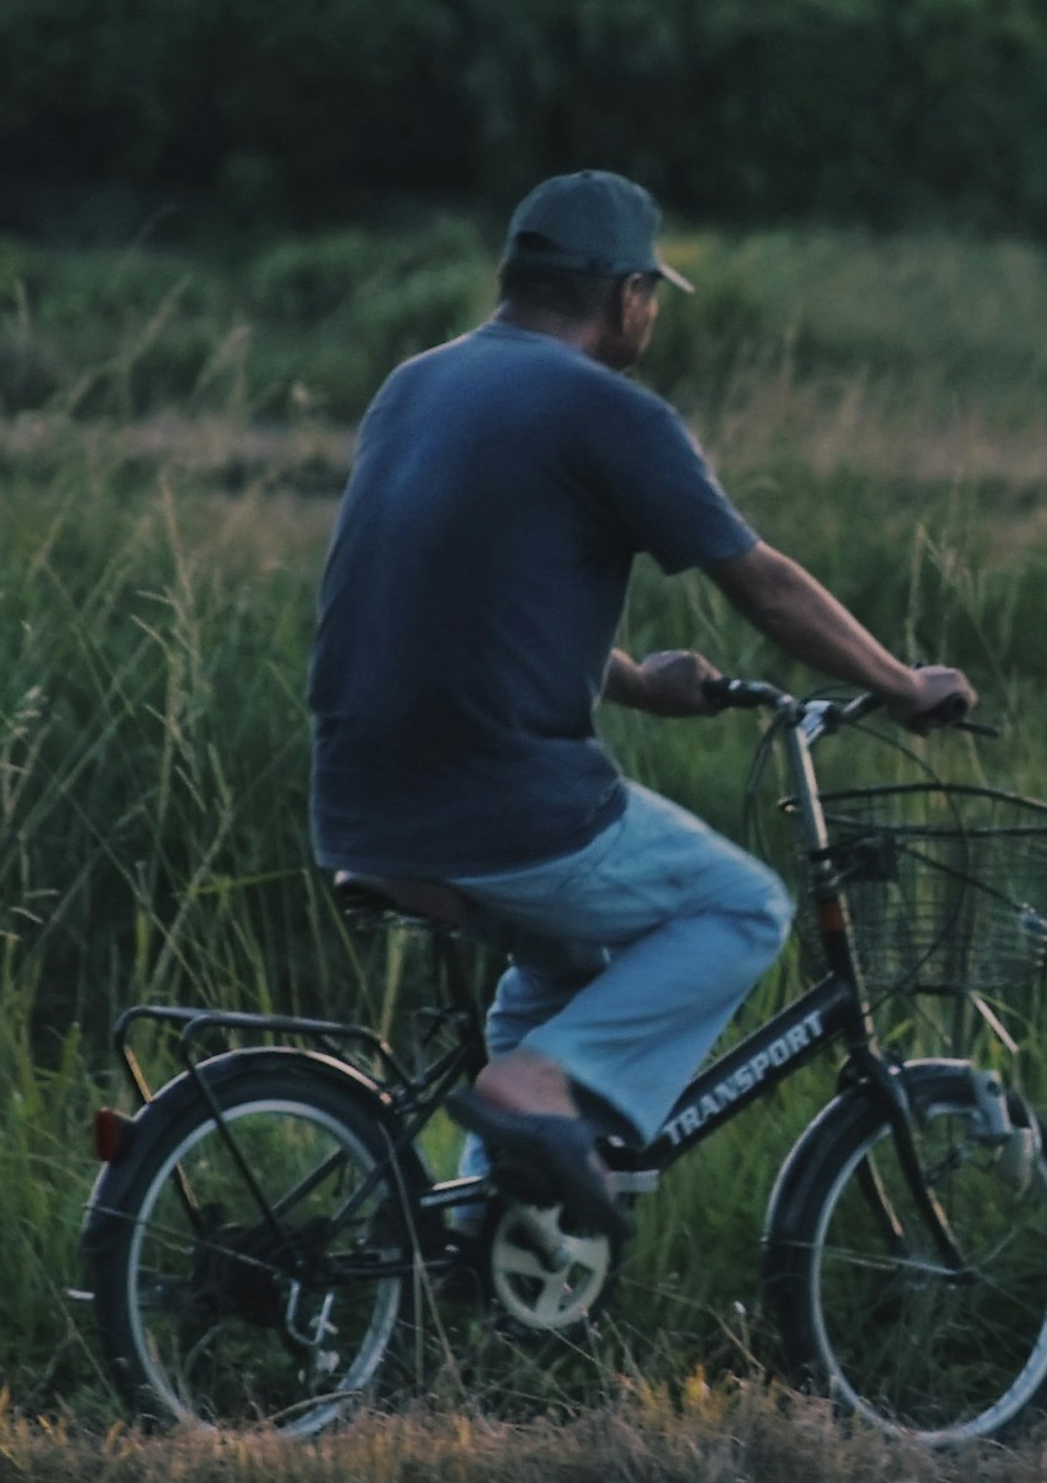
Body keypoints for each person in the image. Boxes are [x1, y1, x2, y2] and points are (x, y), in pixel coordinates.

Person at [307, 168, 975, 1237]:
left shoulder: (418, 383)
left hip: (356, 792)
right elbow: (759, 581)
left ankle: (484, 1234)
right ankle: (535, 1092)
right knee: (741, 906)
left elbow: (459, 588)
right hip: (499, 802)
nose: (652, 313)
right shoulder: (610, 411)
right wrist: (901, 684)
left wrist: (630, 680)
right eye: (651, 293)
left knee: (565, 959)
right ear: (625, 295)